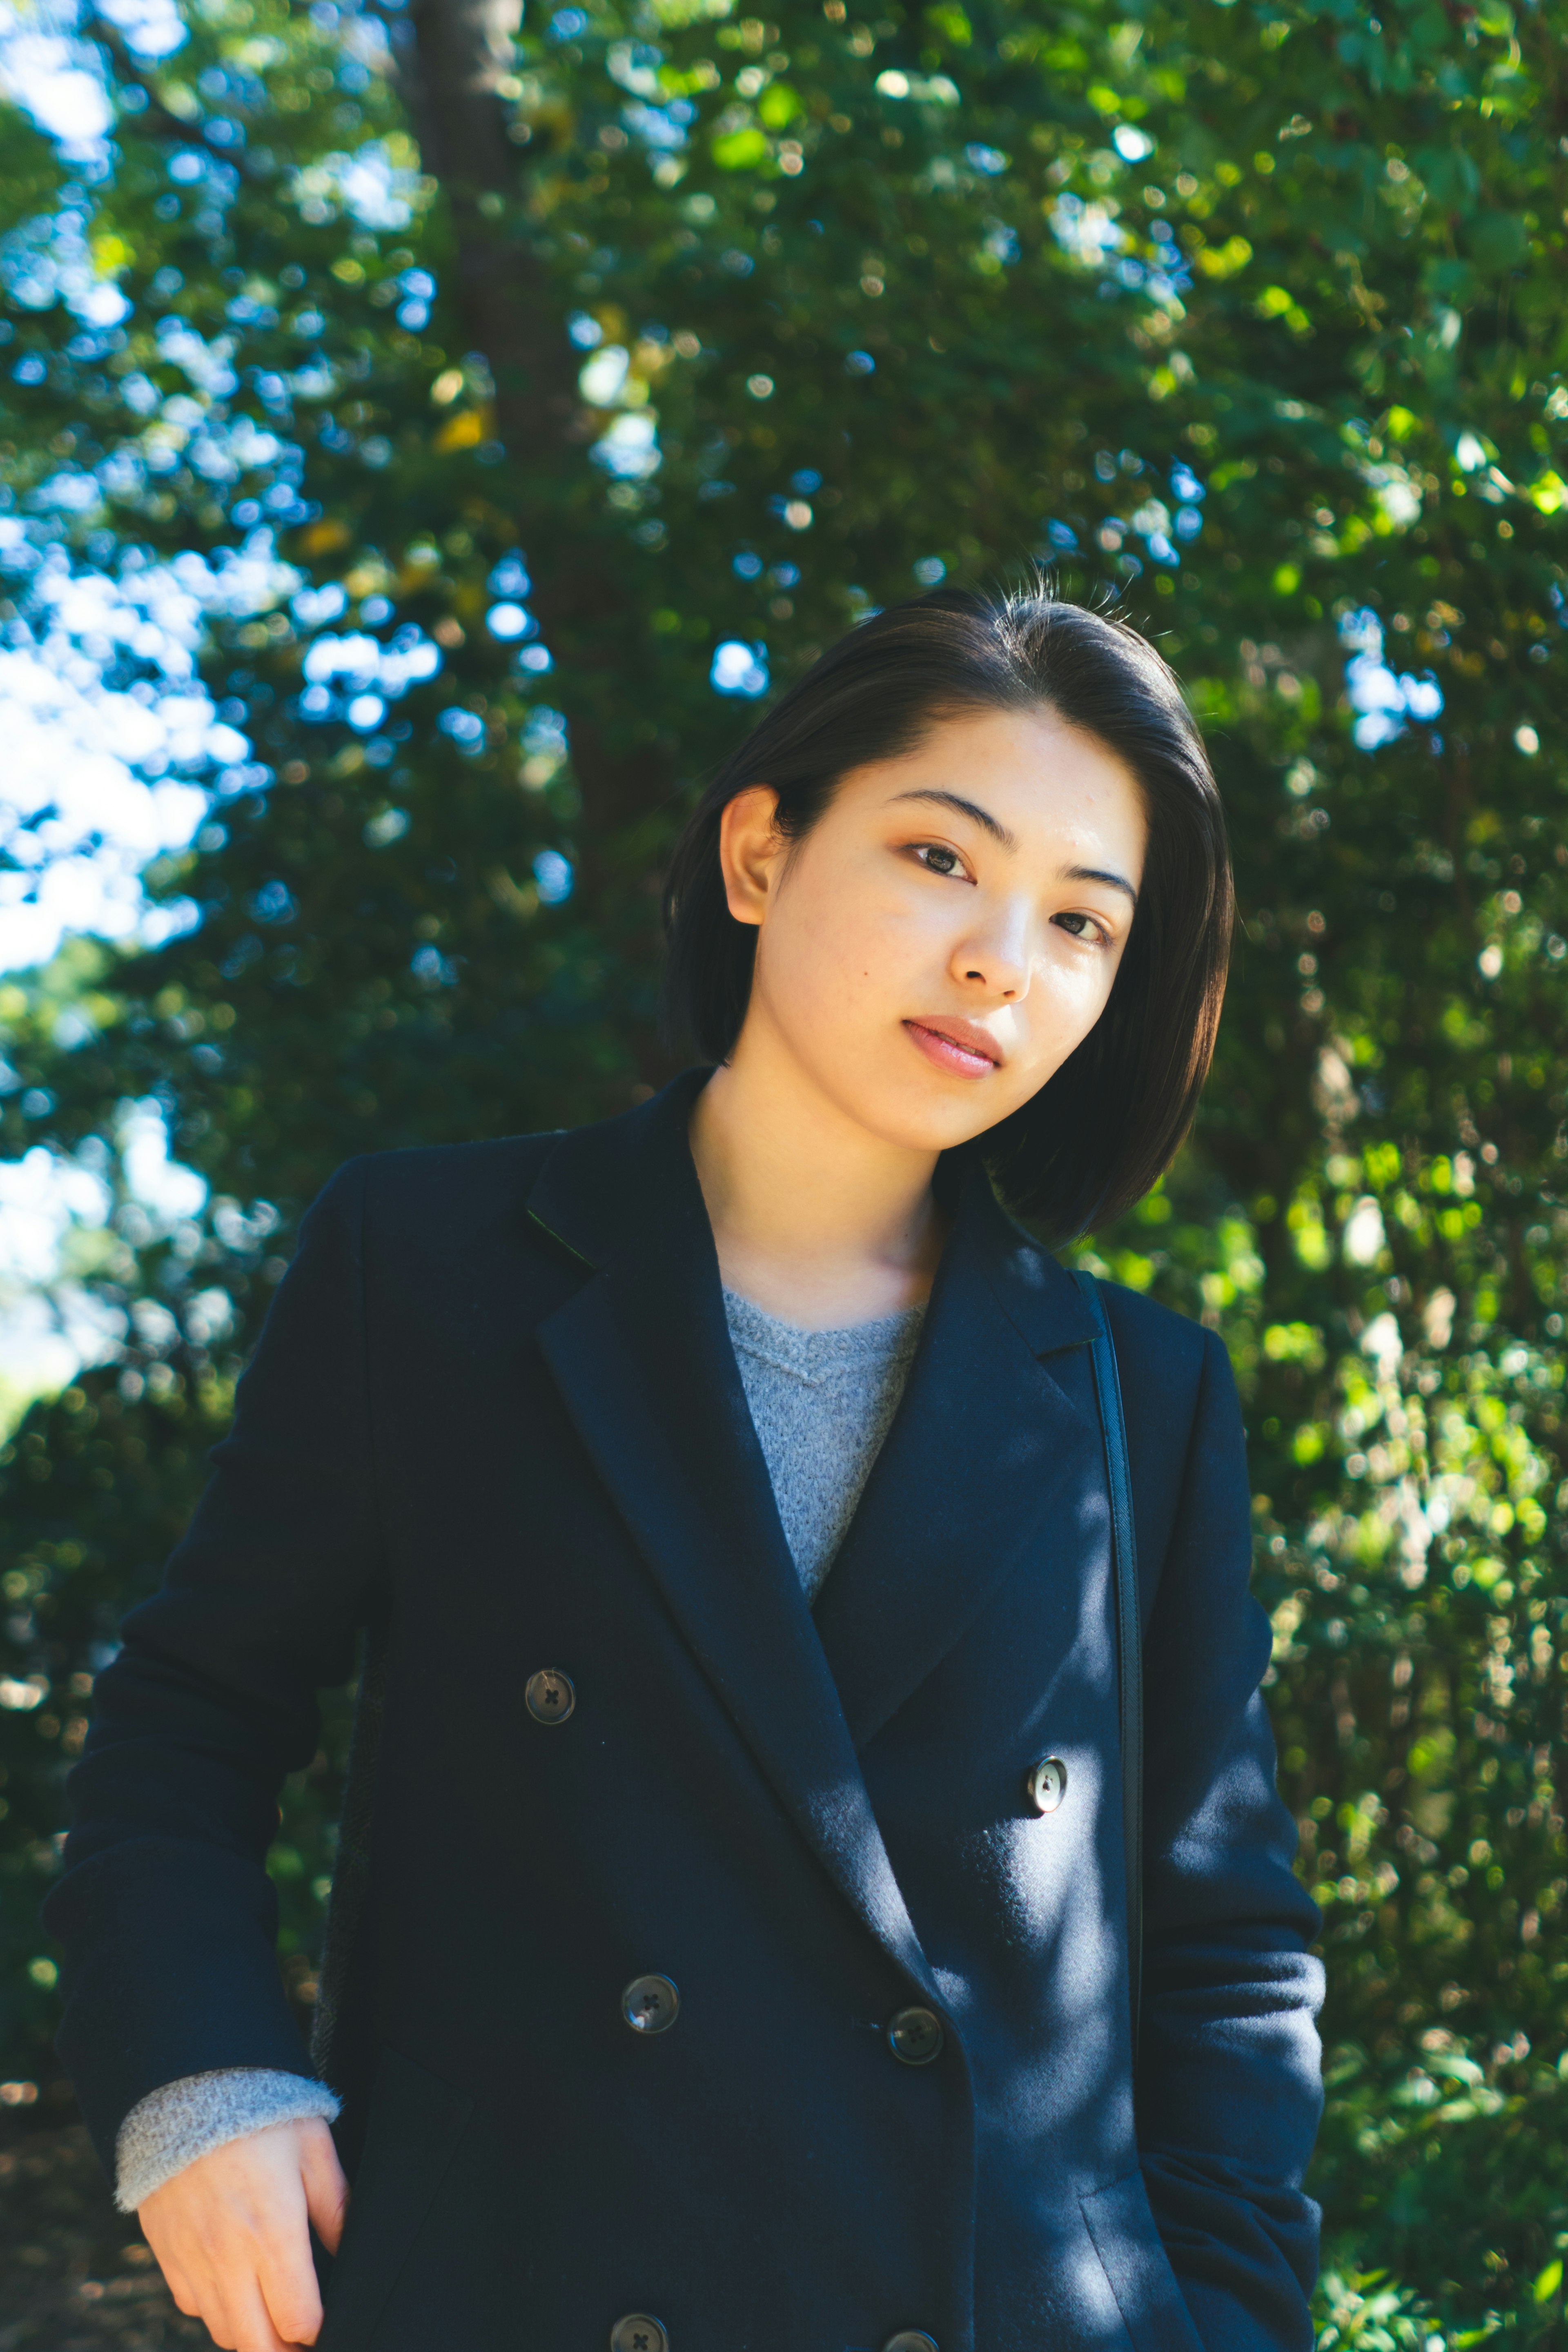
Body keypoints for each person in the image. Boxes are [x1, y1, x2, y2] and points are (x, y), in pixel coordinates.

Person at [44, 586, 1325, 2352]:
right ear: (758, 853)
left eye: (1083, 925)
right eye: (943, 859)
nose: (999, 963)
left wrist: (1228, 2328)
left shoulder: (1143, 1397)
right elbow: (188, 1724)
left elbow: (1226, 1951)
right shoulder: (425, 1268)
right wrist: (203, 2082)